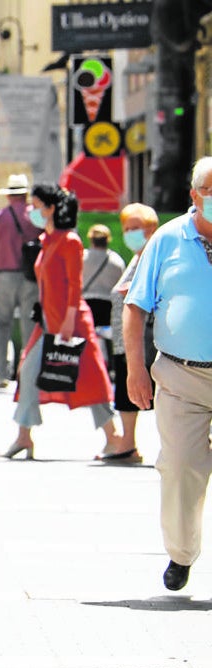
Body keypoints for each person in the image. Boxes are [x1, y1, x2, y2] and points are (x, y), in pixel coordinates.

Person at [124, 157, 212, 592]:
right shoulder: (167, 239)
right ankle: (181, 553)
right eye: (210, 190)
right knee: (181, 468)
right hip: (181, 376)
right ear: (194, 194)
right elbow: (135, 306)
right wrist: (135, 369)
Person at [2, 184, 122, 461]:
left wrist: (68, 322)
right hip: (48, 320)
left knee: (92, 379)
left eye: (35, 205)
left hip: (72, 321)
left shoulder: (69, 240)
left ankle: (114, 437)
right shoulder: (49, 239)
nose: (31, 210)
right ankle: (23, 436)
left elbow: (74, 285)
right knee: (28, 372)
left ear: (51, 208)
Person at [103, 203, 161, 464]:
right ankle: (127, 443)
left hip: (144, 339)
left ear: (151, 229)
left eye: (135, 228)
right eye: (127, 229)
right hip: (125, 338)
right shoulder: (138, 257)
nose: (130, 233)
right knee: (127, 393)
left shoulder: (154, 256)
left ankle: (129, 444)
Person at [0, 173, 43, 388]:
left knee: (0, 324)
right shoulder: (36, 218)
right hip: (31, 278)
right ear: (26, 194)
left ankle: (1, 373)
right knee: (29, 325)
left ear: (8, 196)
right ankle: (27, 373)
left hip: (5, 276)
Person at [81, 224, 126, 343]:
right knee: (105, 343)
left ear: (90, 239)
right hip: (108, 308)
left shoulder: (82, 258)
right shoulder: (117, 261)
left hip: (86, 305)